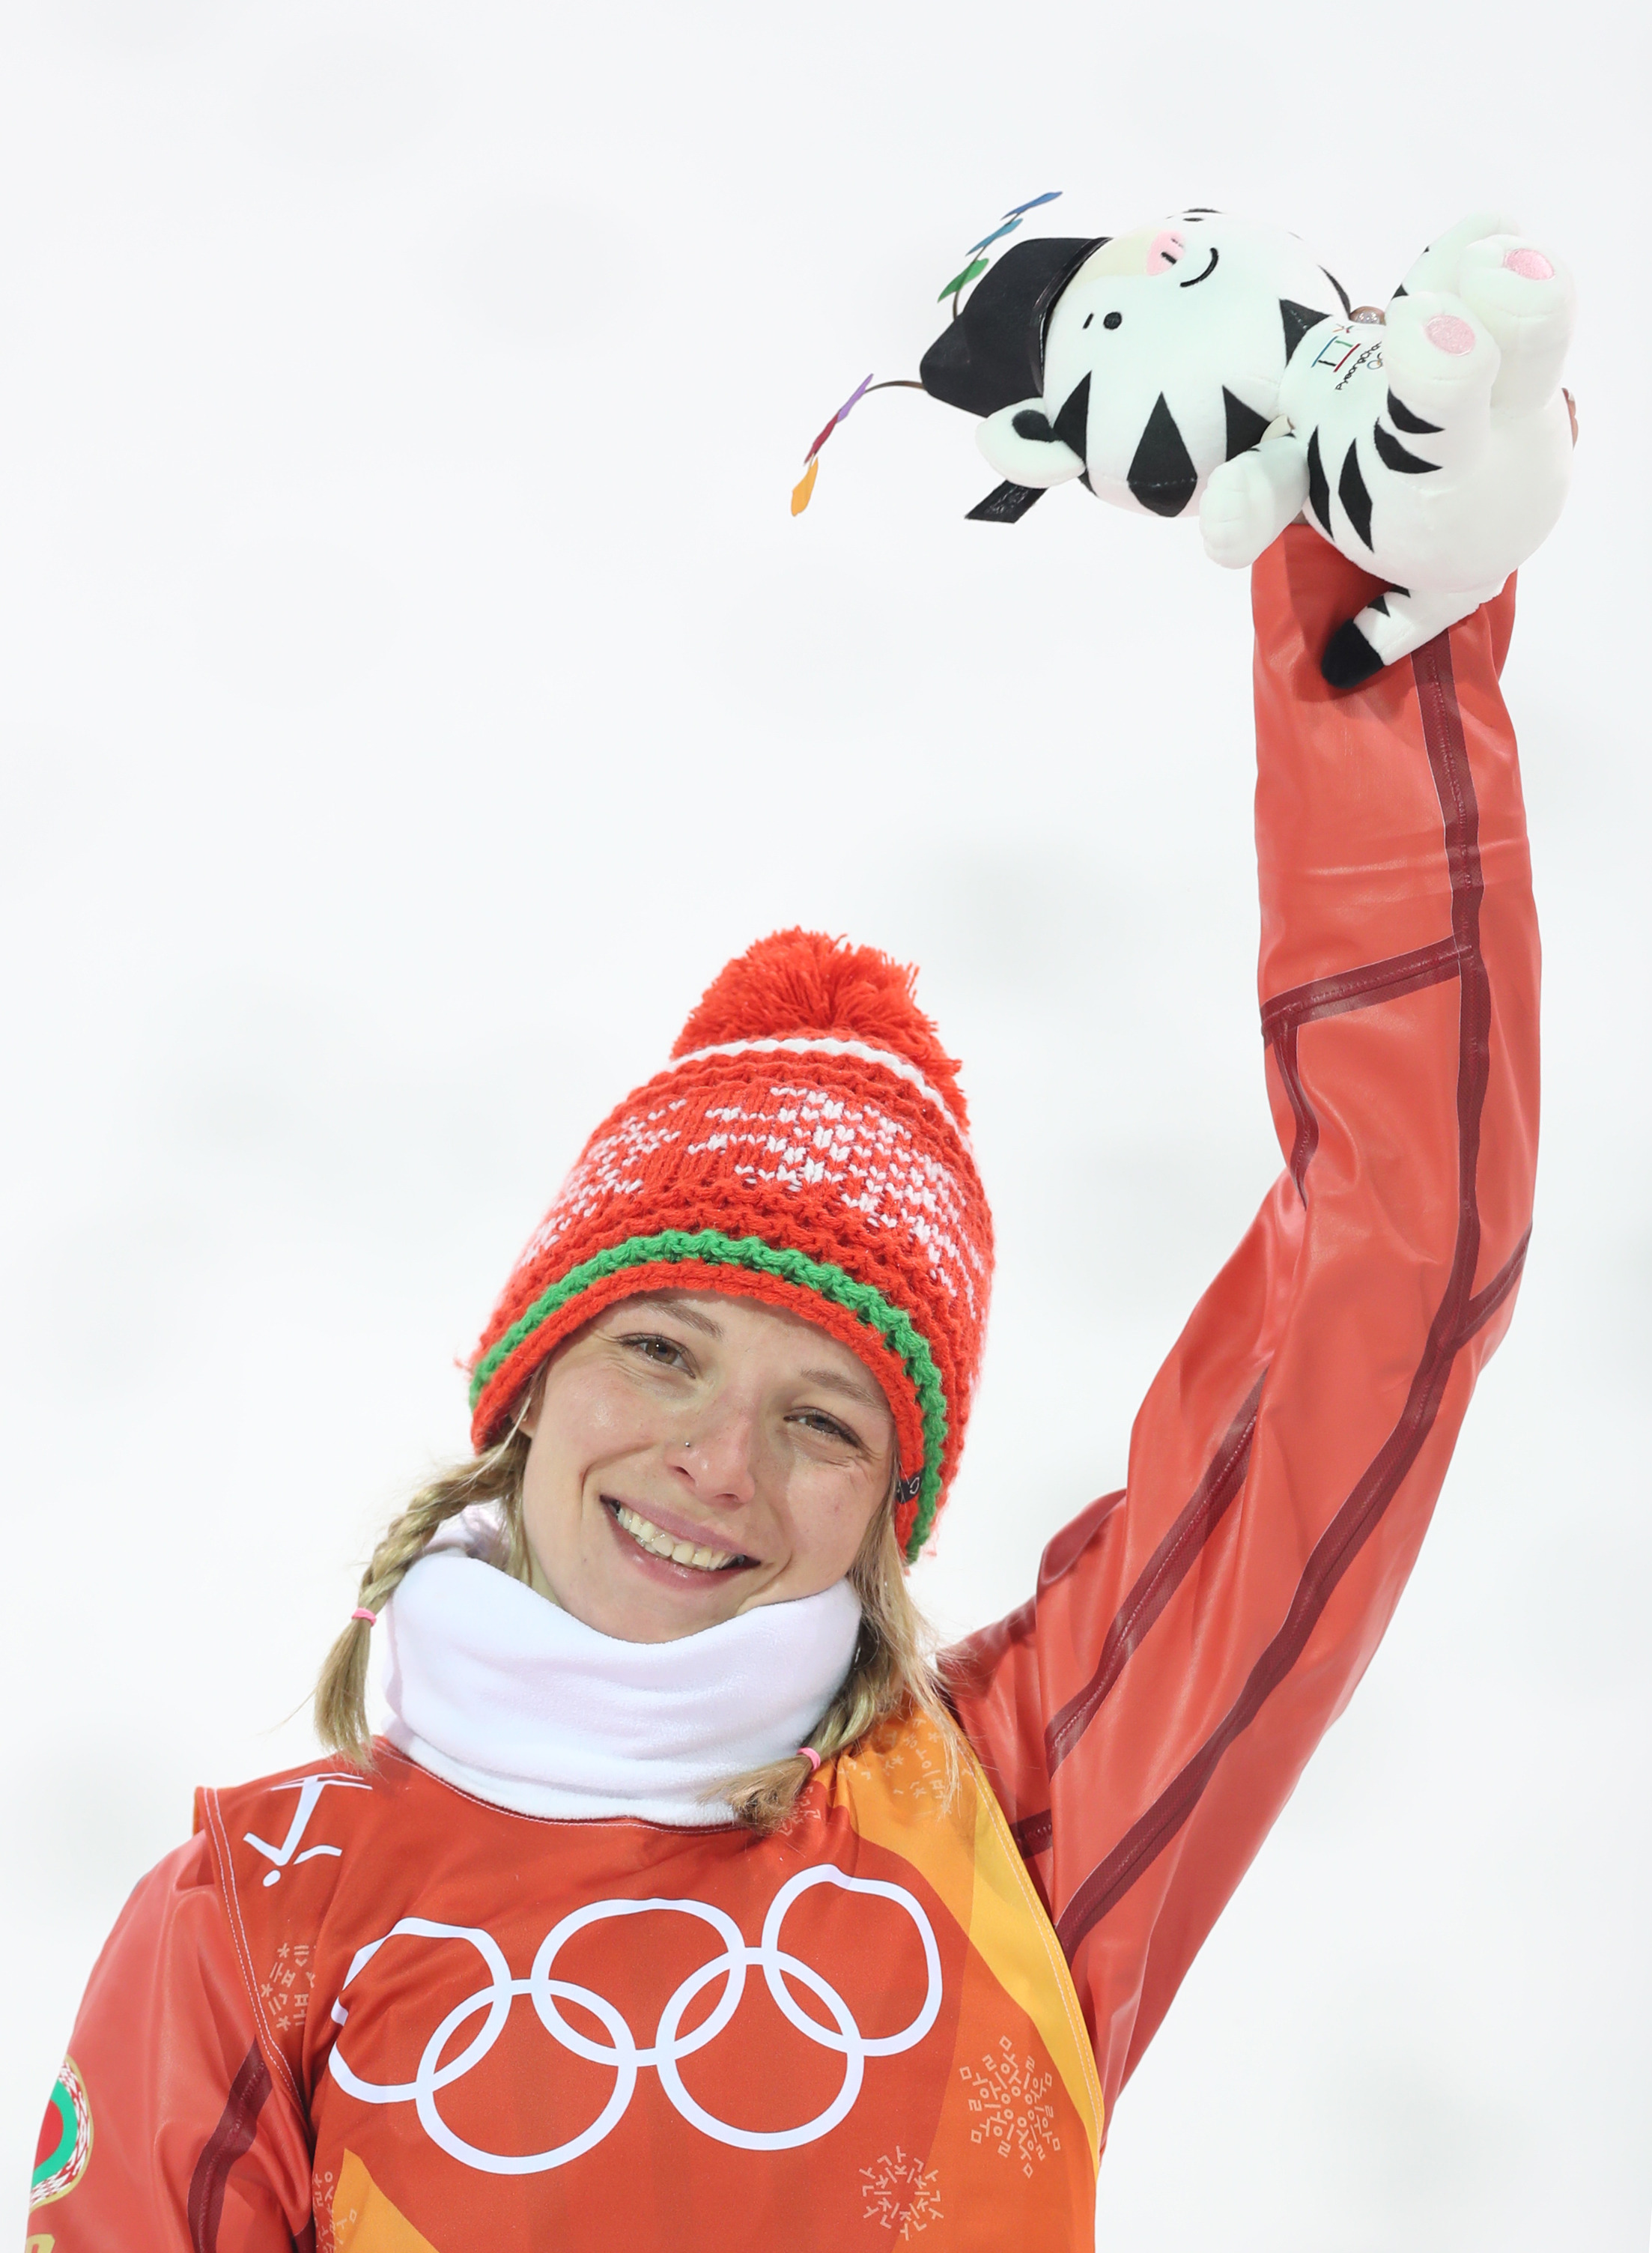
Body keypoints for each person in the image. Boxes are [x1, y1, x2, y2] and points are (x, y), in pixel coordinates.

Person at [28, 532, 1538, 2252]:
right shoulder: (252, 1919)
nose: (715, 1461)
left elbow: (1388, 1286)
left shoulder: (1011, 1812)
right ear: (527, 1385)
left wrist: (1379, 624)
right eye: (659, 1350)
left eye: (823, 1417)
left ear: (888, 1511)